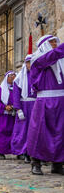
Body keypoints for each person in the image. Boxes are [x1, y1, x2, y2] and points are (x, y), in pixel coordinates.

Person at [27, 35, 64, 175]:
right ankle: (35, 162)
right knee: (40, 132)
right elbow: (52, 56)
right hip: (45, 100)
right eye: (51, 42)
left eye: (56, 41)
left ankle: (58, 163)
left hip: (61, 100)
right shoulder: (37, 60)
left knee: (60, 132)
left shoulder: (61, 62)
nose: (55, 43)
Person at [11, 55, 35, 163]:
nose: (30, 64)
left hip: (36, 105)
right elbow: (16, 95)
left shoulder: (38, 75)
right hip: (24, 106)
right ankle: (25, 152)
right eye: (28, 62)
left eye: (32, 62)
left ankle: (37, 153)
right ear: (25, 63)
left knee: (36, 129)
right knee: (24, 130)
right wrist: (18, 109)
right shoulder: (19, 78)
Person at [0, 71, 17, 160]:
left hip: (15, 115)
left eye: (15, 75)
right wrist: (4, 107)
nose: (13, 77)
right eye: (11, 76)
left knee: (15, 133)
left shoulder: (18, 88)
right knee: (2, 134)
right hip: (4, 116)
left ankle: (17, 151)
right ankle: (1, 152)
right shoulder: (1, 89)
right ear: (7, 77)